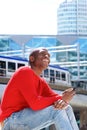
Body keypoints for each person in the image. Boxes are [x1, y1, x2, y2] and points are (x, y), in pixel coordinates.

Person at [0, 48, 79, 130]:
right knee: (56, 110)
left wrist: (64, 98)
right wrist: (61, 98)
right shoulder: (24, 71)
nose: (47, 57)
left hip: (21, 119)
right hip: (10, 120)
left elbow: (55, 98)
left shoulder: (41, 81)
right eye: (43, 54)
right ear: (32, 58)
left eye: (48, 56)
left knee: (66, 107)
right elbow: (35, 103)